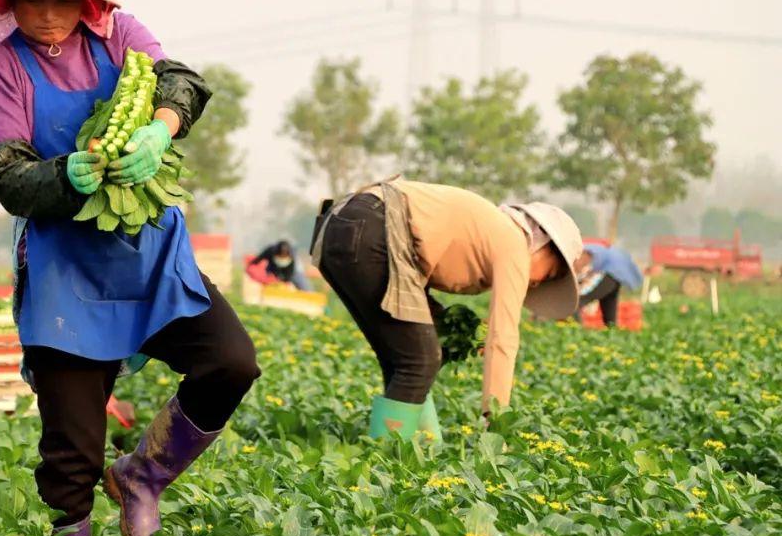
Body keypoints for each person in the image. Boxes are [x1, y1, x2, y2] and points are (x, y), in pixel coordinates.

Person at [0, 0, 259, 536]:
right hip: (65, 270)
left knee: (231, 362)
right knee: (71, 453)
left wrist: (160, 129)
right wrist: (64, 174)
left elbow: (179, 80)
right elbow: (8, 176)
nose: (46, 11)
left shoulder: (119, 36)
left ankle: (143, 477)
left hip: (149, 254)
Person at [311, 179, 583, 441]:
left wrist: (452, 330)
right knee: (419, 359)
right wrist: (496, 424)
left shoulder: (491, 230)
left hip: (340, 227)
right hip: (374, 228)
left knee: (405, 356)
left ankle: (423, 442)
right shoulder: (514, 243)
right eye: (550, 273)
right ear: (543, 245)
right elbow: (503, 339)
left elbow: (417, 290)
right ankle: (387, 461)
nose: (538, 283)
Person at [575, 243, 642, 328]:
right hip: (617, 277)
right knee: (609, 303)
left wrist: (579, 278)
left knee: (576, 301)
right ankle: (611, 330)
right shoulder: (600, 251)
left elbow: (581, 265)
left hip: (609, 273)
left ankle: (574, 327)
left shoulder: (583, 252)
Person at [247, 240, 311, 290]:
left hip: (292, 272)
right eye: (280, 257)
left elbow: (289, 274)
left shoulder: (293, 257)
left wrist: (284, 282)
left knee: (301, 283)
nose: (282, 259)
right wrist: (250, 265)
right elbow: (258, 259)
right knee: (270, 279)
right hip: (273, 269)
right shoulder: (270, 251)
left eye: (284, 257)